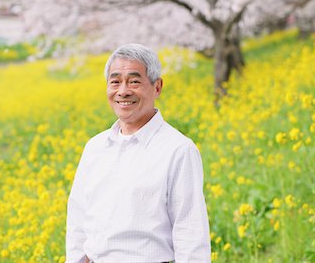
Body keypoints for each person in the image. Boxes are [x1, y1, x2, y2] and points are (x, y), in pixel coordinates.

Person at [66, 43, 211, 263]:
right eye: (115, 82)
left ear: (157, 87)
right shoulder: (94, 147)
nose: (123, 91)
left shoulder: (178, 150)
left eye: (134, 81)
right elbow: (78, 220)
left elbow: (190, 233)